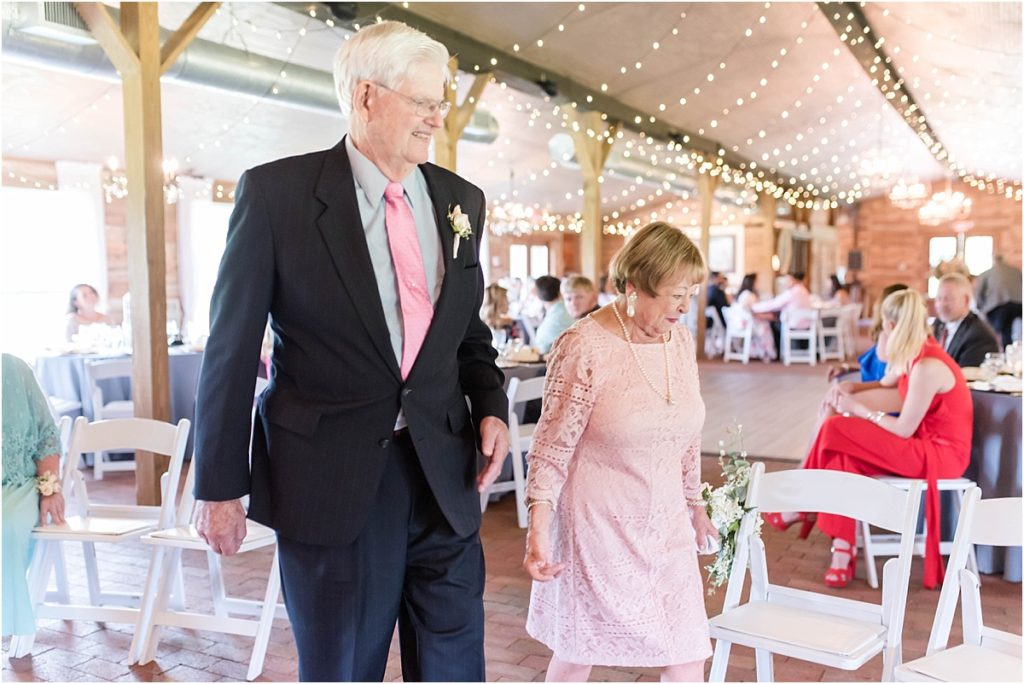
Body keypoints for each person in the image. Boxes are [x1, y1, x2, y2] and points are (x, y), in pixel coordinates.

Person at [191, 21, 510, 682]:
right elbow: (230, 348)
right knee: (342, 667)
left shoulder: (461, 202)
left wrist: (491, 404)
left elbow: (467, 332)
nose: (437, 117)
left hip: (444, 474)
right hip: (331, 481)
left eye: (440, 102)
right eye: (423, 101)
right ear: (366, 97)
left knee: (455, 665)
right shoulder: (277, 196)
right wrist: (220, 487)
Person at [523, 222, 717, 682]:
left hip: (665, 522)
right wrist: (538, 530)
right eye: (675, 295)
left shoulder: (680, 340)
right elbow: (551, 448)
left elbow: (686, 435)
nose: (685, 307)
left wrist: (696, 505)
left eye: (690, 293)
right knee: (579, 650)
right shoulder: (583, 346)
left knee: (688, 651)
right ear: (634, 287)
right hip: (597, 526)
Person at [769, 290, 972, 590]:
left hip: (939, 455)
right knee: (842, 458)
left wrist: (860, 410)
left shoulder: (928, 366)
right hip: (920, 445)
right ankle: (842, 550)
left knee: (835, 429)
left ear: (890, 325)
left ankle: (806, 501)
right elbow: (884, 382)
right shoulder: (915, 352)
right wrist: (852, 387)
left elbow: (903, 428)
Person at [3, 354, 65, 637]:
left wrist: (50, 489)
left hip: (18, 484)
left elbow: (46, 436)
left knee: (5, 526)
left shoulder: (14, 369)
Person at [827, 283, 909, 382]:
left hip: (874, 385)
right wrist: (846, 368)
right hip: (871, 379)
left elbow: (881, 379)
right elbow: (875, 368)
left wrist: (853, 387)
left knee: (839, 386)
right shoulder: (900, 336)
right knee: (839, 381)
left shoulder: (886, 337)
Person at [932, 273, 1000, 367]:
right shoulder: (938, 325)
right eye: (939, 298)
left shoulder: (979, 336)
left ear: (966, 300)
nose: (941, 305)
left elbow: (965, 376)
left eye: (948, 299)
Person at [753, 271, 813, 354]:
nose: (786, 283)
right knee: (776, 319)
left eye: (787, 280)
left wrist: (754, 307)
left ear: (792, 280)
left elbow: (773, 305)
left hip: (792, 325)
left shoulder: (791, 292)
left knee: (774, 324)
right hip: (807, 325)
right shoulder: (804, 291)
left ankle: (778, 353)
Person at [974, 255, 1022, 347]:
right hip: (1018, 305)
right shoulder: (1016, 271)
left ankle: (997, 352)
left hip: (999, 306)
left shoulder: (986, 274)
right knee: (1007, 332)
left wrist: (980, 308)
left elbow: (978, 293)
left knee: (994, 332)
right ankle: (1008, 351)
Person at [727, 273, 776, 362]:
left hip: (737, 323)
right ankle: (767, 352)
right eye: (757, 281)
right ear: (753, 282)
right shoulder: (750, 295)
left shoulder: (742, 294)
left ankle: (756, 352)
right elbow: (756, 310)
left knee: (764, 321)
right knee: (765, 325)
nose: (759, 283)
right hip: (746, 324)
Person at [533, 274, 576, 353]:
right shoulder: (565, 309)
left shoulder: (559, 313)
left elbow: (542, 348)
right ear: (559, 292)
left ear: (537, 295)